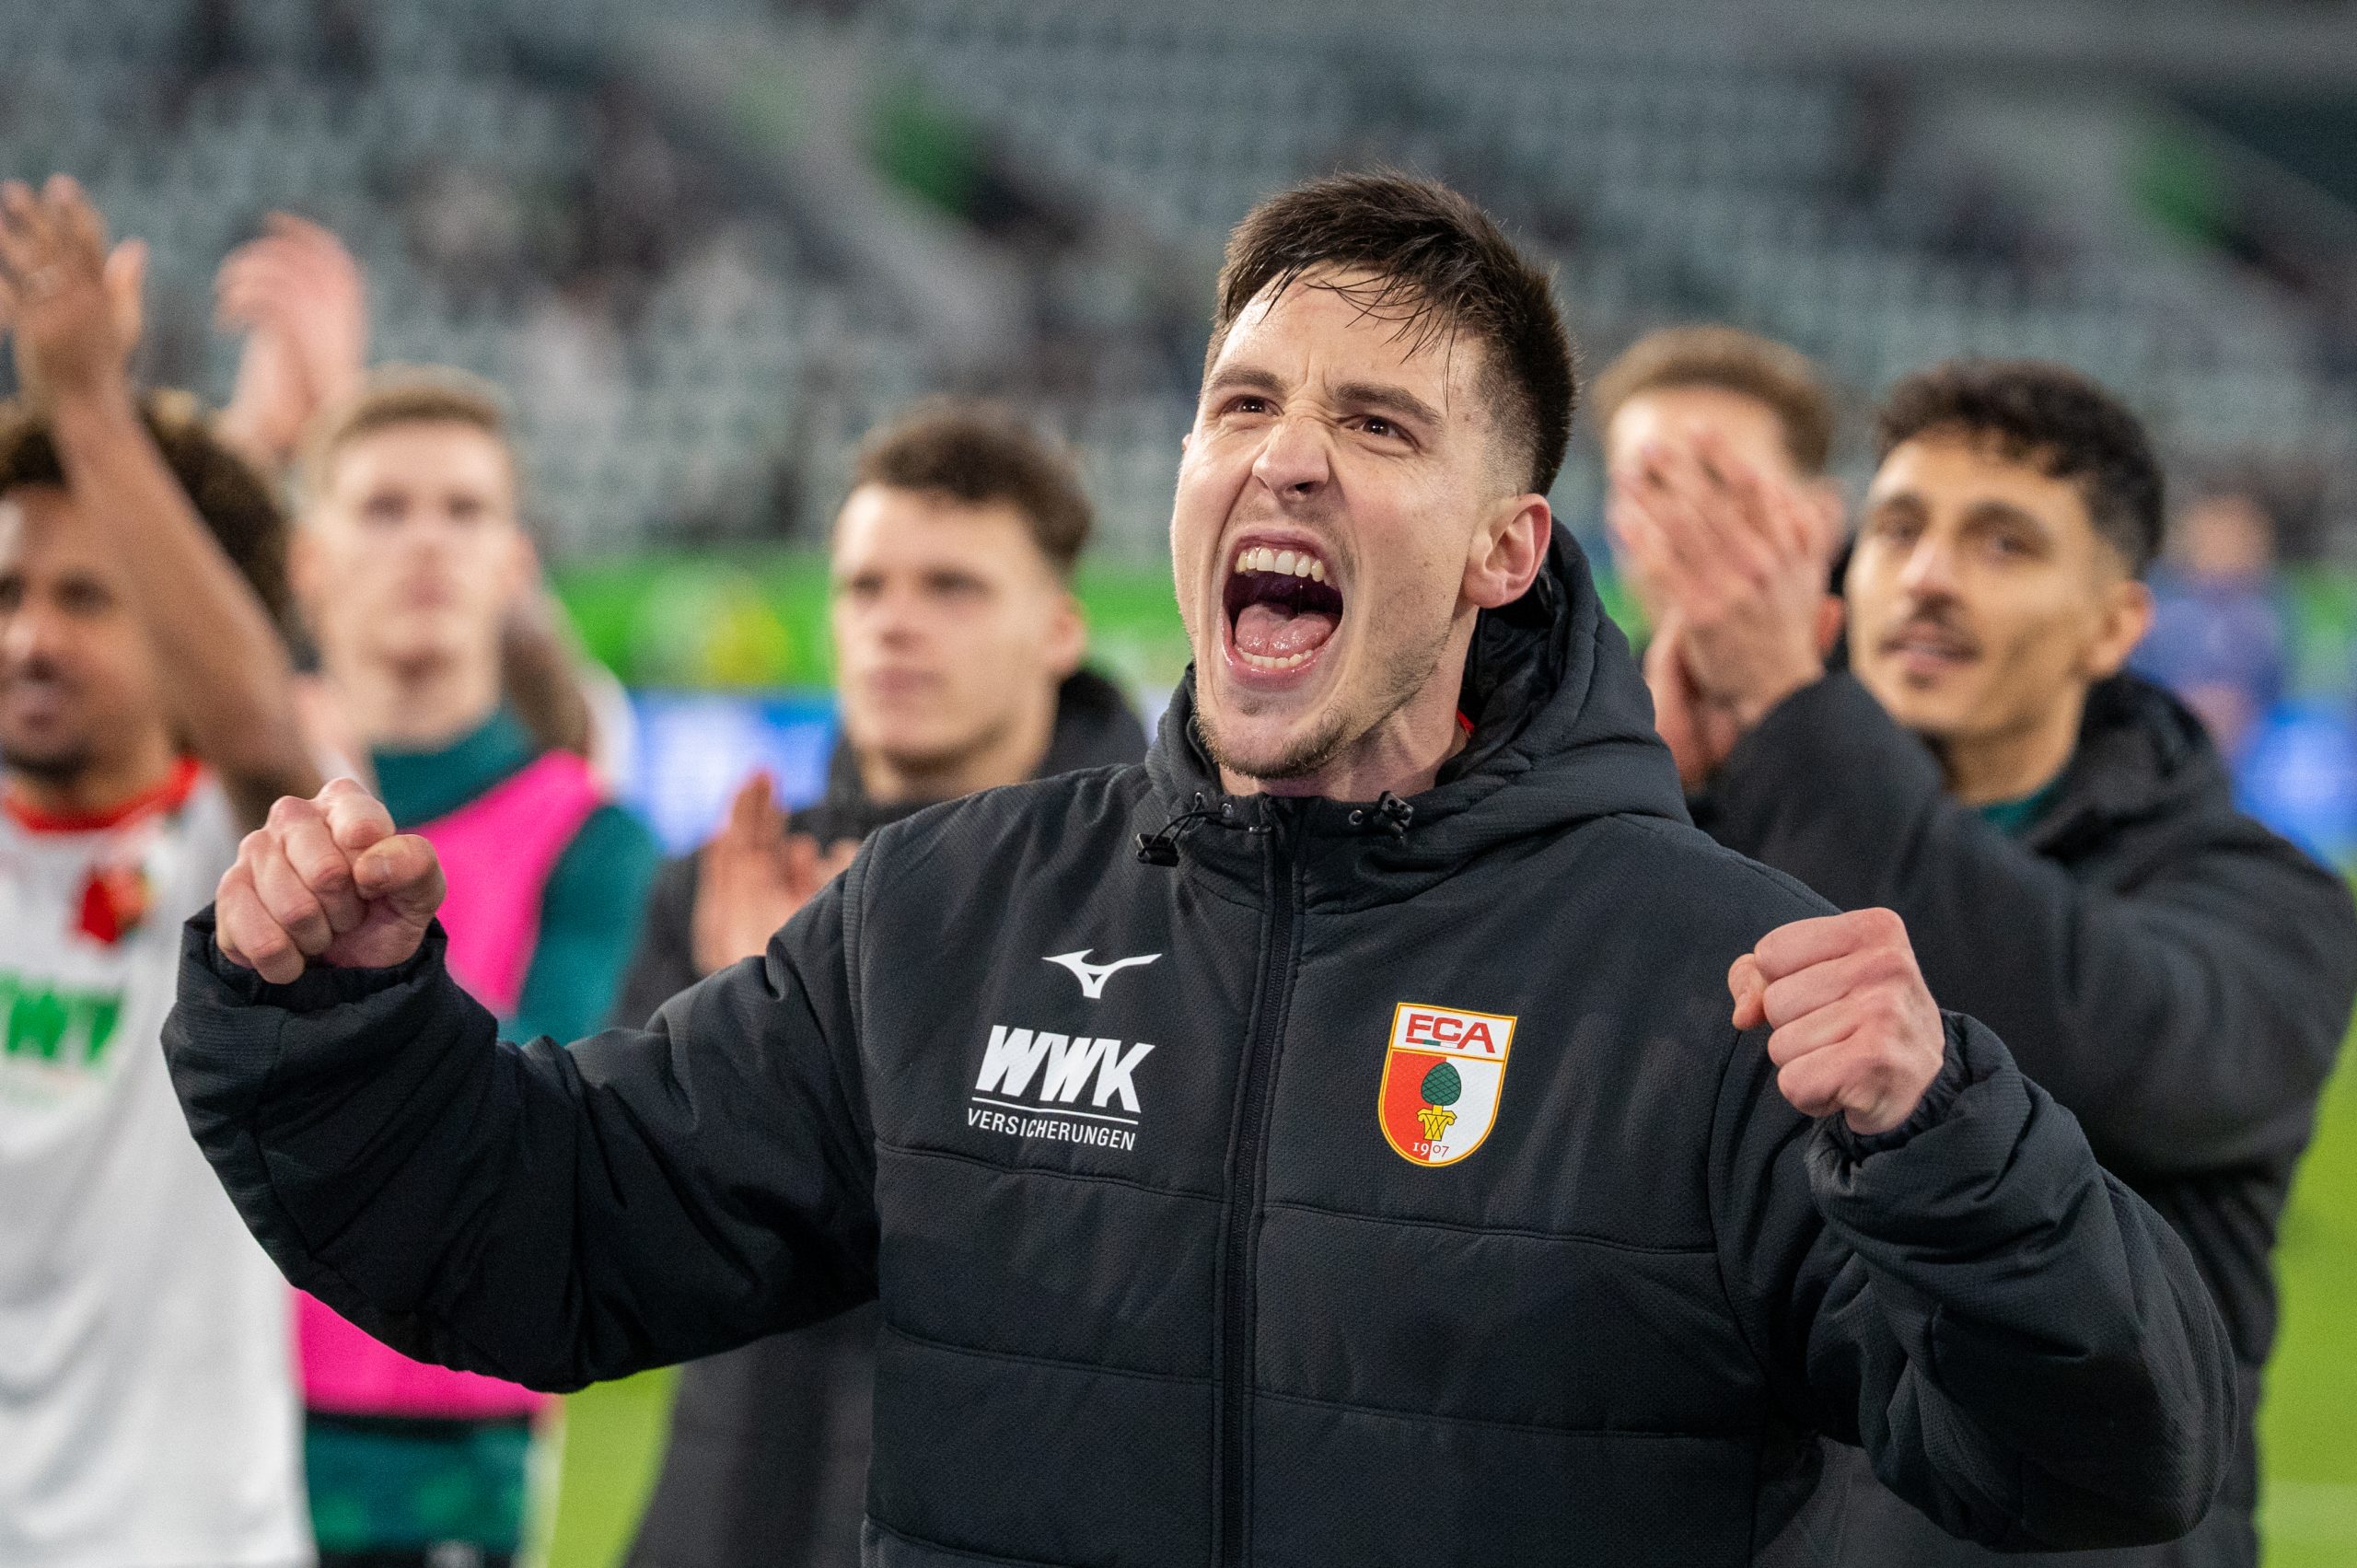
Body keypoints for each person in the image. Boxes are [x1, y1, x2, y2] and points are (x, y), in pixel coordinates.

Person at [167, 173, 2235, 1565]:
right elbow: (555, 1233)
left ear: (1506, 550)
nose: (1285, 454)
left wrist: (1951, 1144)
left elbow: (2097, 1458)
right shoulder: (945, 911)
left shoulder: (1713, 974)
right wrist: (329, 1023)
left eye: (1380, 424)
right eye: (1240, 401)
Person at [1617, 357, 2357, 1567]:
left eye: (2003, 542)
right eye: (1898, 527)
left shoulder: (2269, 902)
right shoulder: (1739, 810)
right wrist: (1653, 802)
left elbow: (2104, 1038)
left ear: (2115, 623)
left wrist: (1795, 718)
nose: (1928, 575)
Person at [618, 401, 1148, 1568]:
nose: (894, 622)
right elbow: (633, 1246)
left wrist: (822, 1037)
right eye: (864, 587)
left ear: (1061, 626)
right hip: (728, 1511)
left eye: (952, 586)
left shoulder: (1151, 905)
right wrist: (736, 1017)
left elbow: (1103, 1253)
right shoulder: (723, 881)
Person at [284, 369, 664, 1568]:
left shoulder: (592, 838)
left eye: (463, 509)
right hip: (197, 1401)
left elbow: (524, 1126)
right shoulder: (233, 807)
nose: (426, 541)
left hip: (446, 1438)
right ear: (307, 560)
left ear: (515, 563)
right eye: (384, 506)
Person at [0, 176, 317, 1567]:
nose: (30, 637)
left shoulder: (227, 856)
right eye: (9, 593)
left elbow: (264, 731)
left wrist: (87, 404)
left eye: (86, 596)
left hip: (183, 1539)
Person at [2133, 488, 2290, 759]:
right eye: (2215, 538)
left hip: (2257, 748)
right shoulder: (2155, 608)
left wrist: (2244, 709)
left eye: (2237, 539)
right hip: (2169, 739)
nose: (2225, 550)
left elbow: (2286, 689)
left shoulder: (2275, 612)